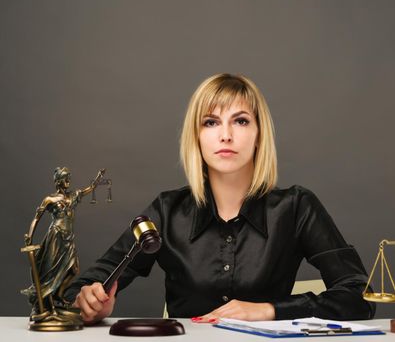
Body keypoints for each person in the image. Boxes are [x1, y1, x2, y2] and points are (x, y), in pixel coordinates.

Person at [64, 74, 375, 324]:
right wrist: (90, 304)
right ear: (196, 136)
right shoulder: (166, 211)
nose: (225, 135)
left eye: (240, 121)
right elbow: (79, 290)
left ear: (259, 134)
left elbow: (361, 296)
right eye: (210, 122)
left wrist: (269, 309)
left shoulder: (296, 207)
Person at [23, 167, 105, 321]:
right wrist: (30, 236)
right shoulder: (50, 199)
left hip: (68, 238)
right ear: (58, 181)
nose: (68, 181)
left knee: (74, 270)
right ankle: (46, 305)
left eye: (69, 178)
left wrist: (98, 178)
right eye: (65, 178)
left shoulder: (72, 196)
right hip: (56, 237)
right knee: (51, 271)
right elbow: (37, 217)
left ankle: (59, 297)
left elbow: (90, 188)